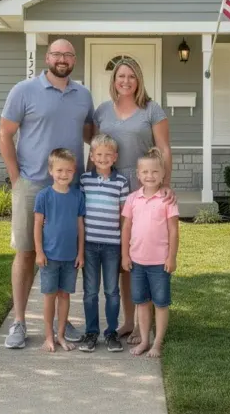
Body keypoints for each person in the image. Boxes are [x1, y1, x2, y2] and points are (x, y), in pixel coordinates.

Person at [0, 39, 94, 349]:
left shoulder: (83, 95)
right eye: (57, 53)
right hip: (33, 186)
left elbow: (92, 134)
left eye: (68, 54)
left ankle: (62, 322)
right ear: (47, 57)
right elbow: (5, 134)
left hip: (70, 189)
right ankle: (20, 322)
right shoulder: (24, 91)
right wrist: (17, 180)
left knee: (66, 255)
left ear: (74, 59)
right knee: (27, 253)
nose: (62, 58)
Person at [89, 57, 175, 343]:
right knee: (118, 253)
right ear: (114, 80)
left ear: (139, 79)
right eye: (120, 76)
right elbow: (94, 147)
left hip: (141, 188)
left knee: (138, 256)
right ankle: (127, 320)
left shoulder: (152, 109)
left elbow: (164, 147)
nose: (125, 81)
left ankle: (141, 325)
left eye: (131, 76)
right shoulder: (102, 111)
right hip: (109, 190)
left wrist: (165, 184)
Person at [121, 147, 180, 358]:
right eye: (145, 172)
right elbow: (126, 228)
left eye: (155, 172)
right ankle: (145, 340)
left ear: (163, 175)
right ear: (138, 174)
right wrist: (125, 256)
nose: (150, 176)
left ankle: (157, 342)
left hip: (159, 263)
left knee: (161, 303)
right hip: (137, 262)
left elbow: (174, 230)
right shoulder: (132, 199)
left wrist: (171, 257)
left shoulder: (167, 200)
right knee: (142, 302)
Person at [76, 133, 130, 353]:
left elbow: (123, 217)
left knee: (111, 291)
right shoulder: (84, 180)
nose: (103, 158)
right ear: (92, 155)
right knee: (90, 291)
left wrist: (124, 248)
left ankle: (111, 333)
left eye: (108, 154)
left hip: (111, 246)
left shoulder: (121, 182)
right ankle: (91, 332)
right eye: (99, 154)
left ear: (115, 157)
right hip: (89, 245)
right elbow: (80, 214)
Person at [34, 148, 86, 352]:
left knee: (65, 296)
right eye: (60, 170)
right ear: (51, 171)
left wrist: (80, 252)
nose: (64, 174)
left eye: (69, 171)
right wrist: (39, 251)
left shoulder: (77, 196)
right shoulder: (44, 196)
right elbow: (37, 225)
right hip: (49, 257)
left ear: (74, 172)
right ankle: (49, 337)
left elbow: (80, 226)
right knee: (49, 295)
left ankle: (61, 335)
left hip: (70, 257)